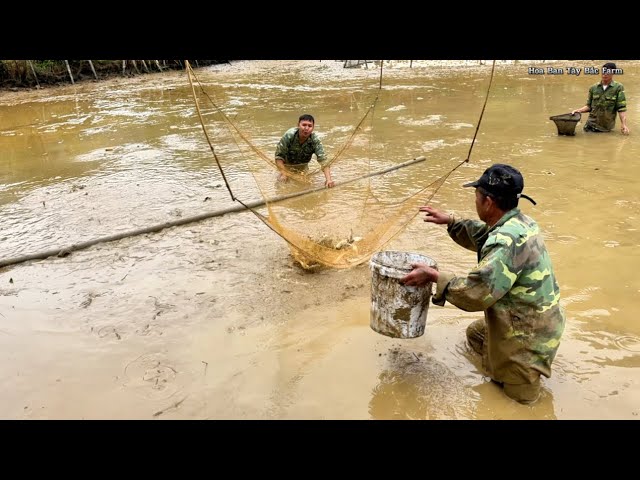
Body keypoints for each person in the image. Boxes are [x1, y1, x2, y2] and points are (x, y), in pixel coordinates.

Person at [400, 164, 566, 405]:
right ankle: (499, 370)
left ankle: (519, 372)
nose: (475, 201)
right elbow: (487, 235)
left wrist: (435, 276)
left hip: (530, 335)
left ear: (488, 202)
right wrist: (451, 222)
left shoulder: (507, 241)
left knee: (521, 406)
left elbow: (476, 293)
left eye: (477, 196)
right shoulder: (521, 222)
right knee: (476, 334)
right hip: (543, 317)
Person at [275, 114, 335, 187]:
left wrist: (328, 179)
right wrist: (284, 173)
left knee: (305, 186)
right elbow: (279, 157)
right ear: (298, 125)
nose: (306, 128)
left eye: (310, 126)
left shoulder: (314, 140)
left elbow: (323, 160)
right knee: (282, 185)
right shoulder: (289, 135)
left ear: (313, 128)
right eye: (304, 125)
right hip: (286, 167)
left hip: (302, 168)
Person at [571, 62, 629, 134]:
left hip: (606, 128)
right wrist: (578, 110)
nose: (604, 74)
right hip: (590, 126)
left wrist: (624, 124)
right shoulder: (593, 88)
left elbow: (621, 108)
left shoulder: (618, 88)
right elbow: (589, 106)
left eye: (607, 72)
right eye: (603, 72)